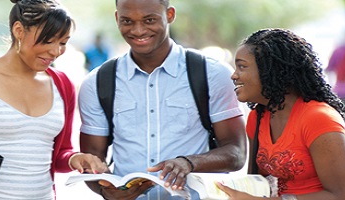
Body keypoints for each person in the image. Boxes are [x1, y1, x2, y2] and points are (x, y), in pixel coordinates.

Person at [78, 0, 247, 199]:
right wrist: (105, 191)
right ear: (117, 18)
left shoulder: (211, 73)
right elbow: (93, 159)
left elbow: (236, 153)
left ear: (170, 15)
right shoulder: (97, 82)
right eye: (127, 21)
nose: (138, 30)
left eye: (149, 20)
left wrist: (189, 162)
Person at [0, 0, 108, 199]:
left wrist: (75, 158)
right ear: (19, 30)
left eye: (62, 43)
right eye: (48, 40)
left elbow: (59, 153)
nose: (55, 51)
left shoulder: (63, 86)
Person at [218, 28, 345, 199]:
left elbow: (342, 196)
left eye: (242, 67)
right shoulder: (258, 117)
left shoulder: (319, 119)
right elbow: (256, 184)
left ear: (271, 70)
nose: (234, 75)